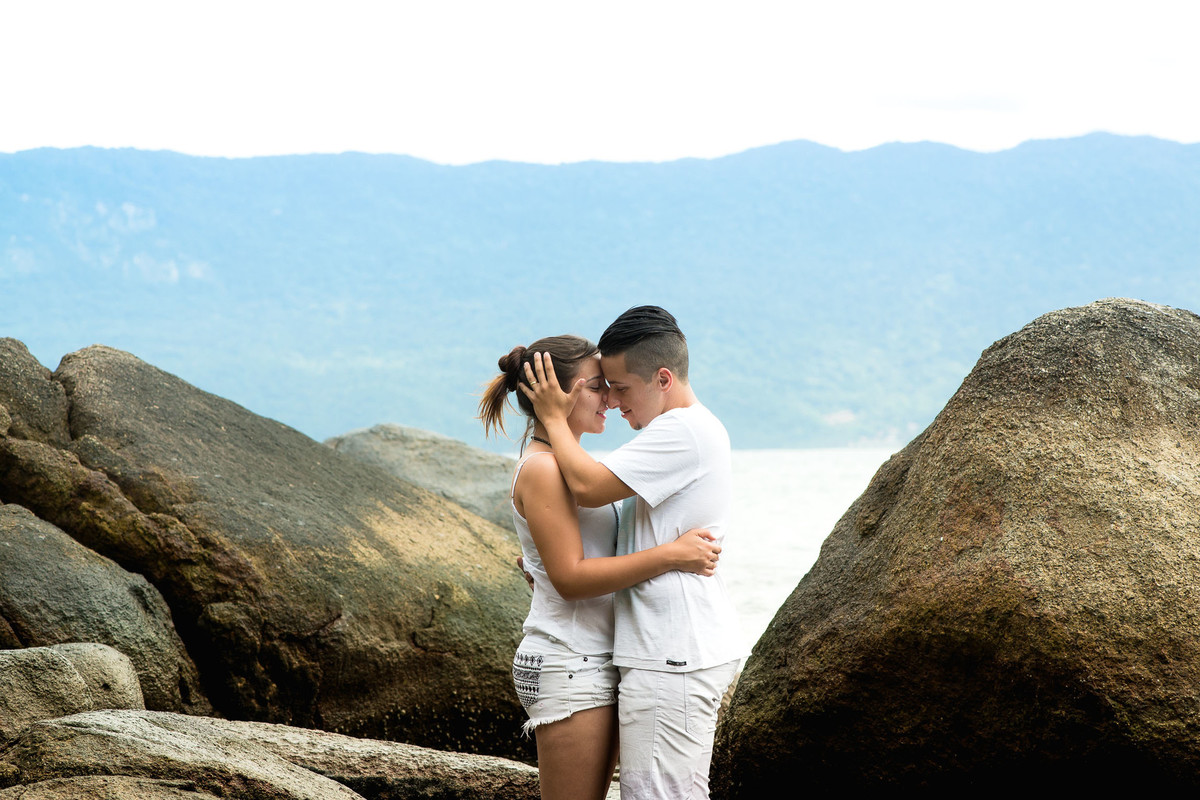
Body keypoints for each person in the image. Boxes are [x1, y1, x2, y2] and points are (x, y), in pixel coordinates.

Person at [478, 333, 722, 800]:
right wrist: (673, 555)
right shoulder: (545, 468)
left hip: (591, 659)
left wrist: (537, 564)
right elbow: (570, 579)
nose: (609, 398)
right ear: (555, 395)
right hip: (572, 661)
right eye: (596, 386)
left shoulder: (568, 463)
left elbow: (570, 558)